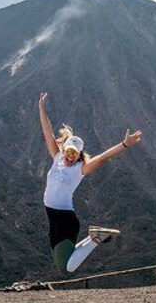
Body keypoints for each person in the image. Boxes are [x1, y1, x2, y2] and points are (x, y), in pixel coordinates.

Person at [38, 91, 143, 273]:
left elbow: (102, 158)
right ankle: (95, 236)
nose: (69, 157)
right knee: (60, 263)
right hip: (54, 217)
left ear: (79, 156)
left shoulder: (79, 169)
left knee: (67, 268)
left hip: (64, 218)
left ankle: (96, 239)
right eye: (68, 152)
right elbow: (48, 131)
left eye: (74, 154)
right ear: (64, 149)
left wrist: (124, 144)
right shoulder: (57, 157)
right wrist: (41, 107)